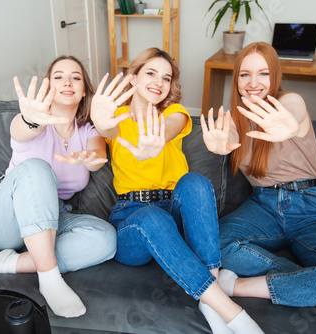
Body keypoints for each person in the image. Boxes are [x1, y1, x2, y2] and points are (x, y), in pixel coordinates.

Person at [91, 47, 263, 334]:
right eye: (150, 73)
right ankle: (231, 312)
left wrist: (153, 139)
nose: (160, 82)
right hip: (131, 218)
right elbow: (107, 131)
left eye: (166, 78)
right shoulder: (115, 118)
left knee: (194, 181)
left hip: (175, 212)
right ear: (132, 78)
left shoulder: (175, 113)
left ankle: (209, 299)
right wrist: (101, 122)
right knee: (151, 218)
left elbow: (166, 129)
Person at [201, 42, 316, 307]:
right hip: (263, 206)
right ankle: (312, 281)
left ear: (275, 76)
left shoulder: (290, 101)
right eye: (245, 74)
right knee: (208, 246)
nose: (254, 82)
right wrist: (219, 145)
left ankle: (235, 286)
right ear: (236, 78)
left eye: (264, 73)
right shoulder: (234, 119)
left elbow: (293, 116)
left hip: (313, 206)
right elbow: (228, 136)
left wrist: (290, 126)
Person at [0, 56, 117, 318]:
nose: (68, 81)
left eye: (76, 77)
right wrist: (31, 119)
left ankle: (8, 263)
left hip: (53, 216)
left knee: (106, 238)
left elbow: (96, 156)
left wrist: (90, 159)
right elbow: (22, 129)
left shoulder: (88, 131)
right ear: (48, 88)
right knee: (36, 168)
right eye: (58, 77)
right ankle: (49, 279)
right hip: (4, 218)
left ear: (84, 91)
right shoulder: (34, 124)